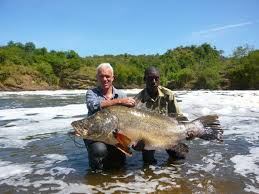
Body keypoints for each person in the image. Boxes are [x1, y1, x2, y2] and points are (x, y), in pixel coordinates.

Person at [84, 63, 136, 171]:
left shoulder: (122, 94)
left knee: (119, 164)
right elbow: (93, 106)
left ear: (113, 78)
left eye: (107, 76)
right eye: (101, 76)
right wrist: (119, 101)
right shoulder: (91, 93)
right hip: (96, 134)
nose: (104, 79)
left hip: (115, 134)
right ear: (97, 78)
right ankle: (96, 178)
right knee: (99, 151)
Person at [134, 66, 189, 164]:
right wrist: (135, 142)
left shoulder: (168, 95)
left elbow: (178, 117)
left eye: (156, 78)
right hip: (148, 136)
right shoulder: (138, 100)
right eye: (150, 78)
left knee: (179, 158)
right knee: (147, 162)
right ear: (144, 79)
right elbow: (134, 126)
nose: (154, 81)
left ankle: (171, 176)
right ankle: (151, 178)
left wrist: (188, 131)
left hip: (168, 132)